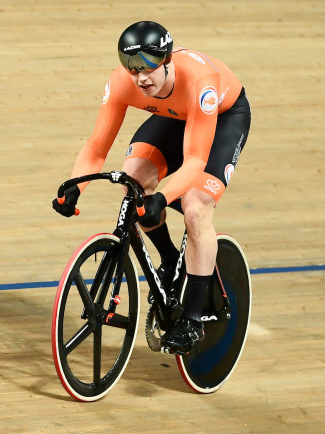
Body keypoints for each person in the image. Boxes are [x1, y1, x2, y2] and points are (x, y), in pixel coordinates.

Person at [53, 20, 251, 354]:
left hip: (222, 118)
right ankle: (171, 258)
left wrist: (164, 197)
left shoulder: (199, 82)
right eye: (132, 68)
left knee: (195, 206)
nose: (141, 77)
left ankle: (192, 321)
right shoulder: (121, 83)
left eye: (148, 67)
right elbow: (97, 147)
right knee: (134, 182)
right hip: (175, 115)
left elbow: (194, 162)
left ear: (167, 60)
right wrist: (76, 185)